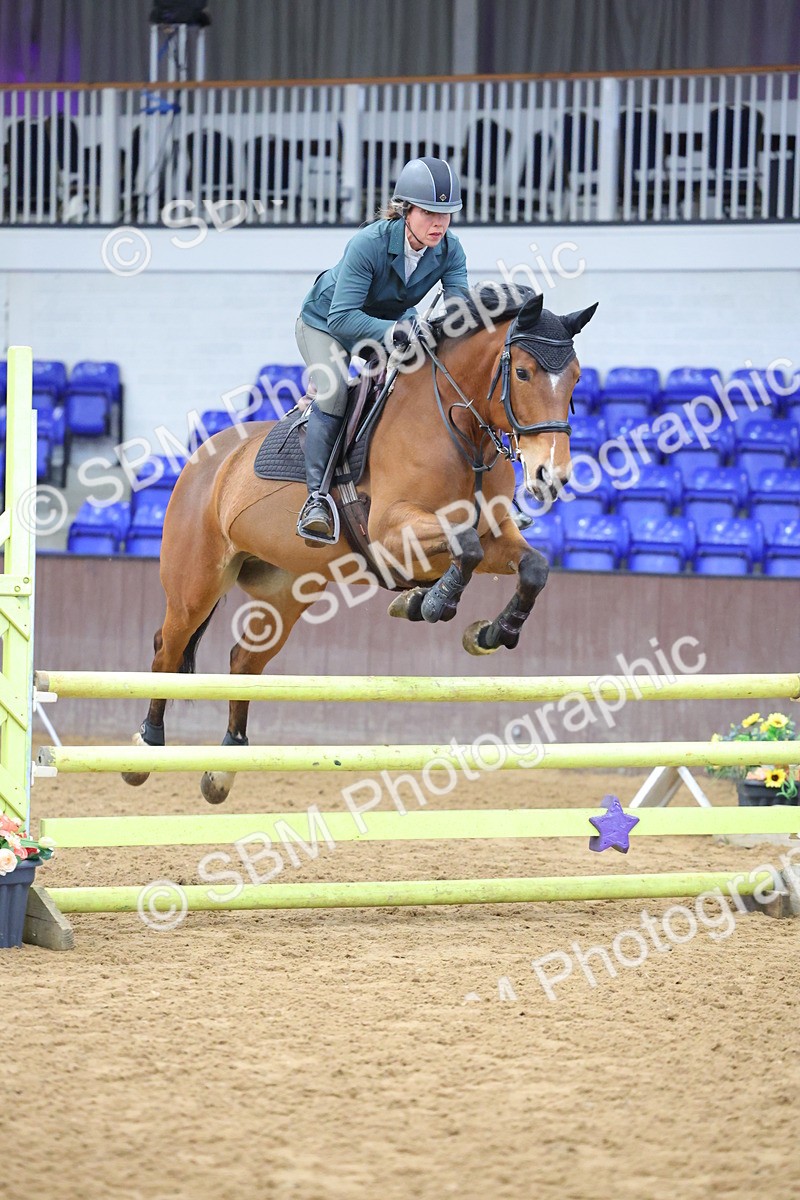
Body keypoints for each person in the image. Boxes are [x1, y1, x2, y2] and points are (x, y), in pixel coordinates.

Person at [294, 156, 470, 543]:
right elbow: (342, 319)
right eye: (429, 213)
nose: (439, 223)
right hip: (326, 325)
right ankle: (316, 500)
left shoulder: (450, 250)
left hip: (388, 326)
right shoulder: (368, 243)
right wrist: (397, 332)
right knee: (336, 390)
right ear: (406, 210)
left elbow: (459, 312)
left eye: (447, 214)